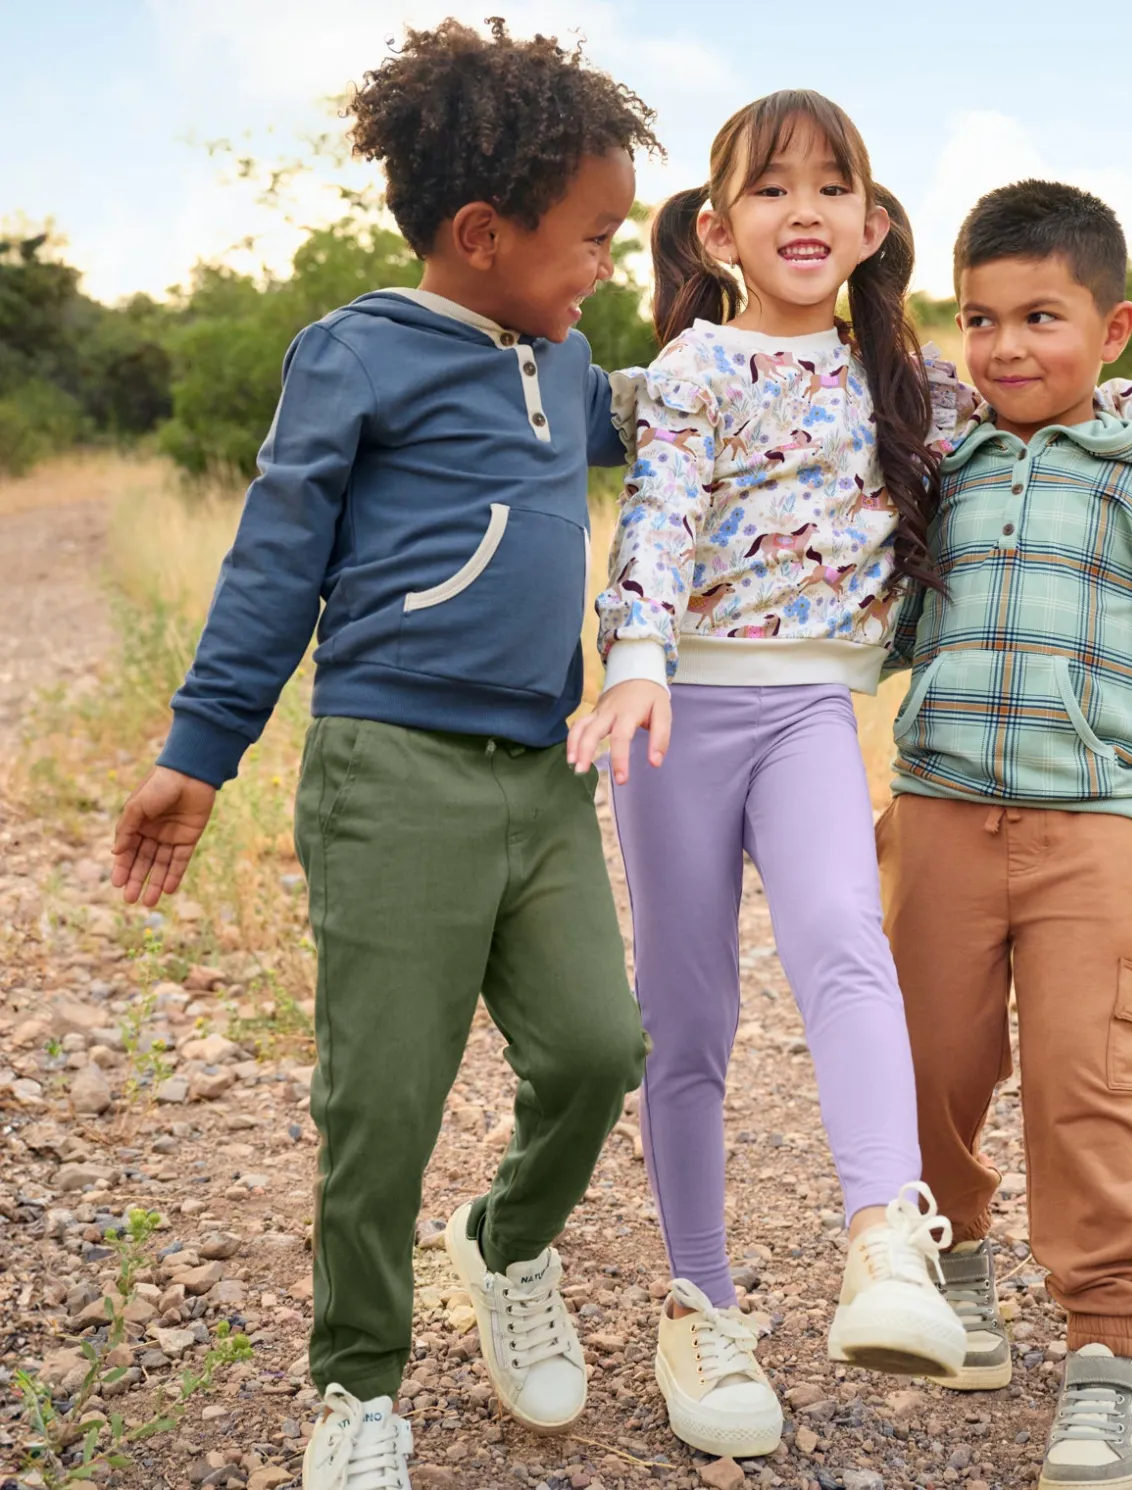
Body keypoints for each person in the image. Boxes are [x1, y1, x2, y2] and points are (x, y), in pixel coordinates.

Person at [567, 90, 1132, 1460]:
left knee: (841, 948)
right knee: (684, 1020)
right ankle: (700, 1299)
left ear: (873, 227)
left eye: (830, 188)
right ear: (716, 226)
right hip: (673, 709)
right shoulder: (689, 368)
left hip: (812, 706)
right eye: (768, 189)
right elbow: (663, 501)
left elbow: (1056, 386)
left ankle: (890, 1242)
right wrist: (632, 650)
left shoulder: (915, 387)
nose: (800, 210)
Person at [108, 20, 659, 1488]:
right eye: (591, 236)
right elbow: (274, 559)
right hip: (392, 771)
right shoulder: (358, 354)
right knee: (383, 1099)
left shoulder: (566, 361)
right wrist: (199, 751)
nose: (604, 262)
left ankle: (504, 1245)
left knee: (602, 1049)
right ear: (482, 233)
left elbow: (669, 418)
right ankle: (358, 1383)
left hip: (544, 778)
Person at [879, 179, 1132, 1490]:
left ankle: (1105, 1354)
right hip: (933, 817)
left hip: (1091, 830)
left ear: (1113, 326)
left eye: (1041, 316)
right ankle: (956, 1259)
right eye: (980, 320)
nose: (1007, 347)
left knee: (1084, 1085)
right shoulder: (942, 465)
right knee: (929, 1062)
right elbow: (888, 632)